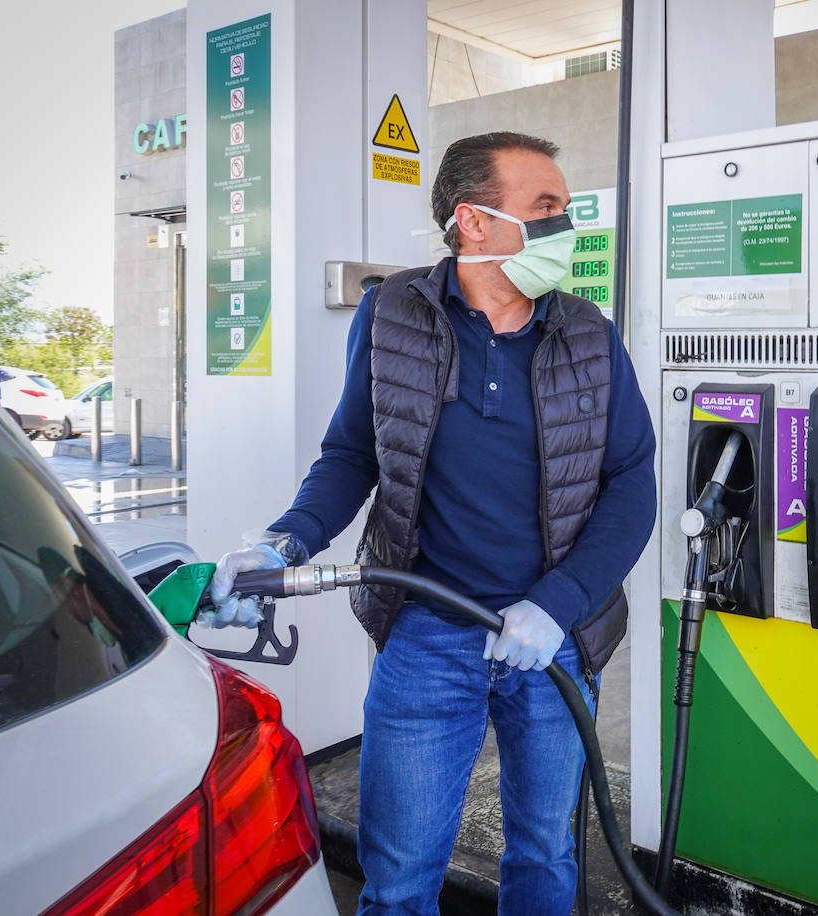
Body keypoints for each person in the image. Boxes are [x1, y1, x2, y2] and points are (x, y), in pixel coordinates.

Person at [209, 131, 657, 916]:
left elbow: (632, 484)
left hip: (554, 641)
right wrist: (284, 541)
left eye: (565, 209)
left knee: (546, 856)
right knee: (401, 878)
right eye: (545, 208)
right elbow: (353, 455)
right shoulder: (392, 313)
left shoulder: (587, 332)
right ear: (473, 221)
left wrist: (559, 602)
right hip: (427, 638)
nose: (565, 227)